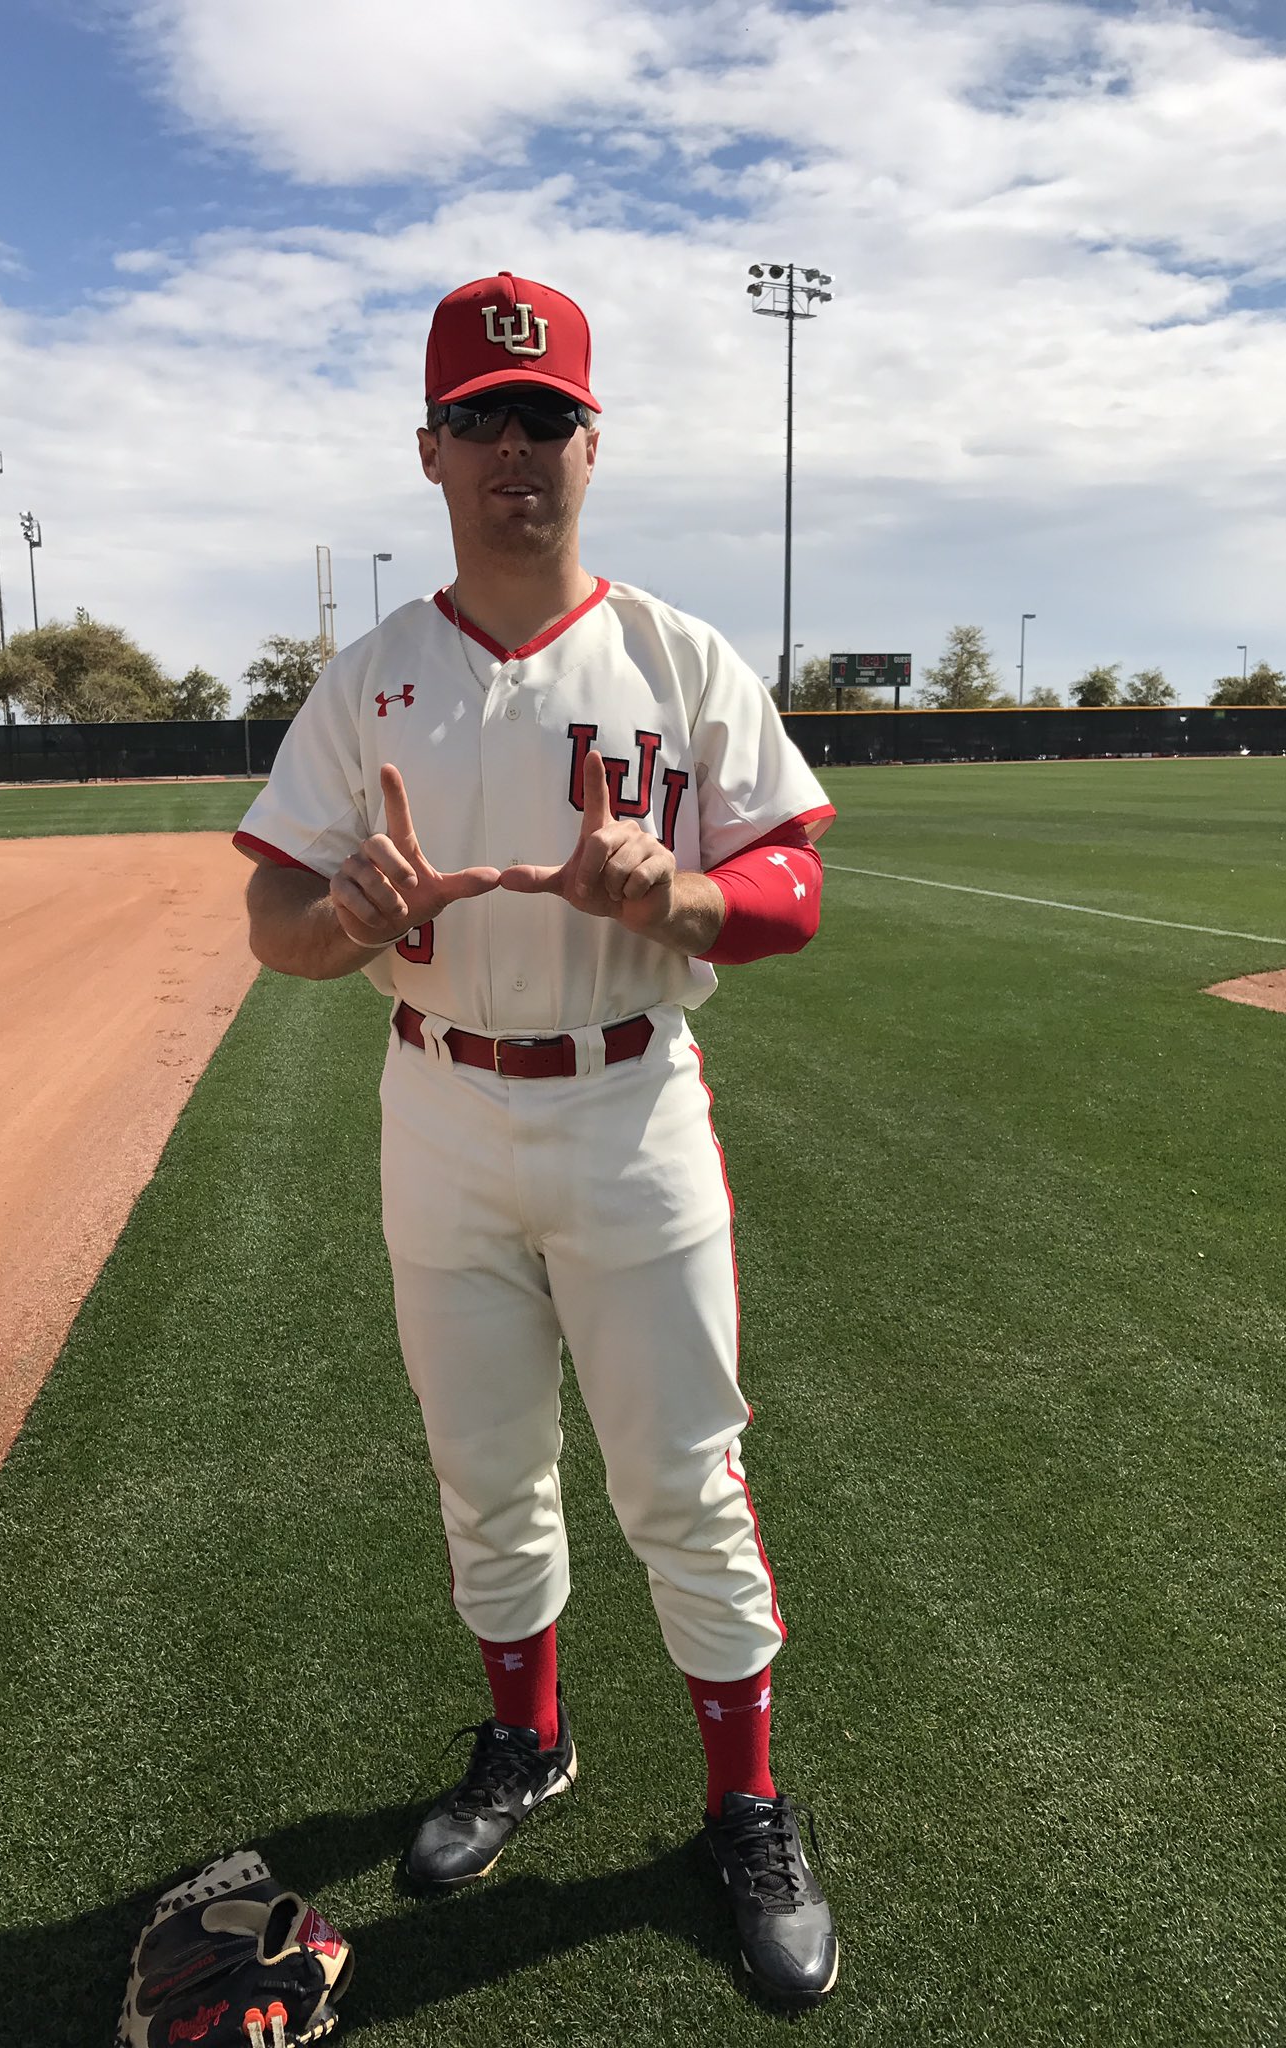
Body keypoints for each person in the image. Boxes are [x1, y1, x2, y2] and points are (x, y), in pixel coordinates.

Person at [233, 271, 838, 2005]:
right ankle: (529, 1747)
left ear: (592, 443)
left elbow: (797, 874)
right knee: (484, 1468)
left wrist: (696, 890)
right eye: (483, 420)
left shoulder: (674, 657)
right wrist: (342, 916)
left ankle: (744, 1806)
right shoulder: (372, 679)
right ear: (430, 450)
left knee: (681, 1481)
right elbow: (275, 920)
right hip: (436, 1101)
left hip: (630, 1102)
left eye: (547, 417)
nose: (517, 447)